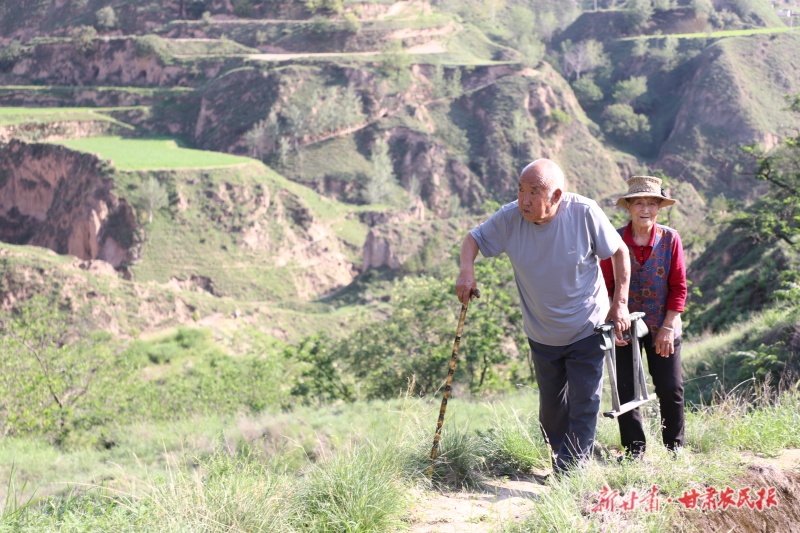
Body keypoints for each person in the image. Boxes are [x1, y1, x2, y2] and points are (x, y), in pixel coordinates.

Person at [456, 158, 631, 475]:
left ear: (556, 196)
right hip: (541, 333)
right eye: (521, 190)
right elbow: (474, 239)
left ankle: (571, 473)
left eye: (534, 192)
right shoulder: (510, 218)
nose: (524, 199)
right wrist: (466, 272)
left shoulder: (584, 212)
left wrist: (619, 302)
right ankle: (561, 456)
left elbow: (620, 251)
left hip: (586, 326)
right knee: (551, 411)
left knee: (585, 401)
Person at [599, 175, 687, 459]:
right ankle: (634, 451)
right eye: (639, 203)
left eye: (652, 203)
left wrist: (668, 327)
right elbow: (606, 286)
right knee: (625, 388)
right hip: (624, 325)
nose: (645, 209)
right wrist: (614, 321)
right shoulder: (613, 241)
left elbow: (678, 287)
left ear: (659, 207)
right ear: (629, 207)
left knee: (670, 387)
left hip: (664, 323)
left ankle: (675, 449)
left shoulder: (670, 239)